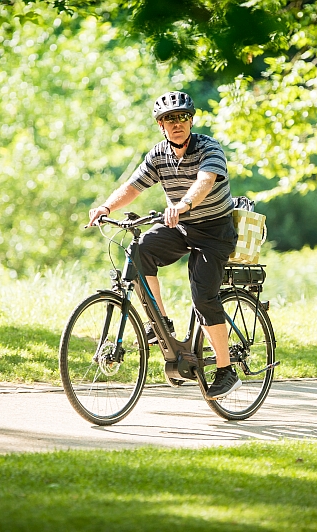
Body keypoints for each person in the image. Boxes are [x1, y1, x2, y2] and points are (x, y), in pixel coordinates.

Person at [87, 90, 241, 400]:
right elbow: (133, 187)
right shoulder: (158, 155)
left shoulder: (209, 148)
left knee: (203, 297)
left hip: (214, 232)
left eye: (182, 117)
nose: (177, 123)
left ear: (191, 120)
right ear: (161, 125)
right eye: (169, 119)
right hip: (181, 226)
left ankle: (226, 371)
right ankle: (160, 322)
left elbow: (205, 181)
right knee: (139, 251)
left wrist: (183, 204)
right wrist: (106, 207)